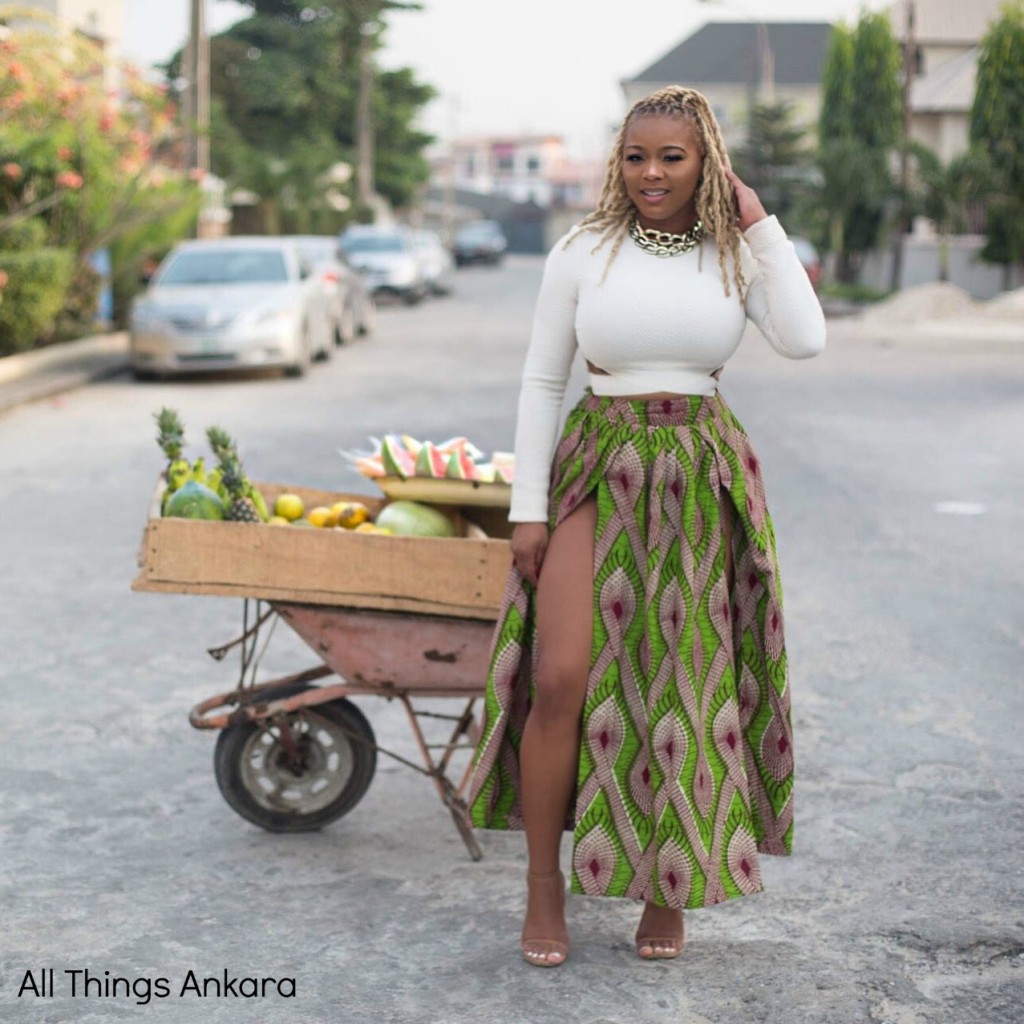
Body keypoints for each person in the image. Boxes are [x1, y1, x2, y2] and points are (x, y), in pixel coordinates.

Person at [467, 85, 826, 967]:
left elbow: (806, 339)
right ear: (616, 163)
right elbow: (543, 382)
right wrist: (525, 509)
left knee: (681, 687)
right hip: (599, 461)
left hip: (701, 467)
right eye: (636, 156)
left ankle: (669, 890)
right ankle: (543, 888)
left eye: (672, 156)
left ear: (706, 160)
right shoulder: (582, 250)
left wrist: (758, 223)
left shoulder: (733, 256)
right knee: (561, 677)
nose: (652, 173)